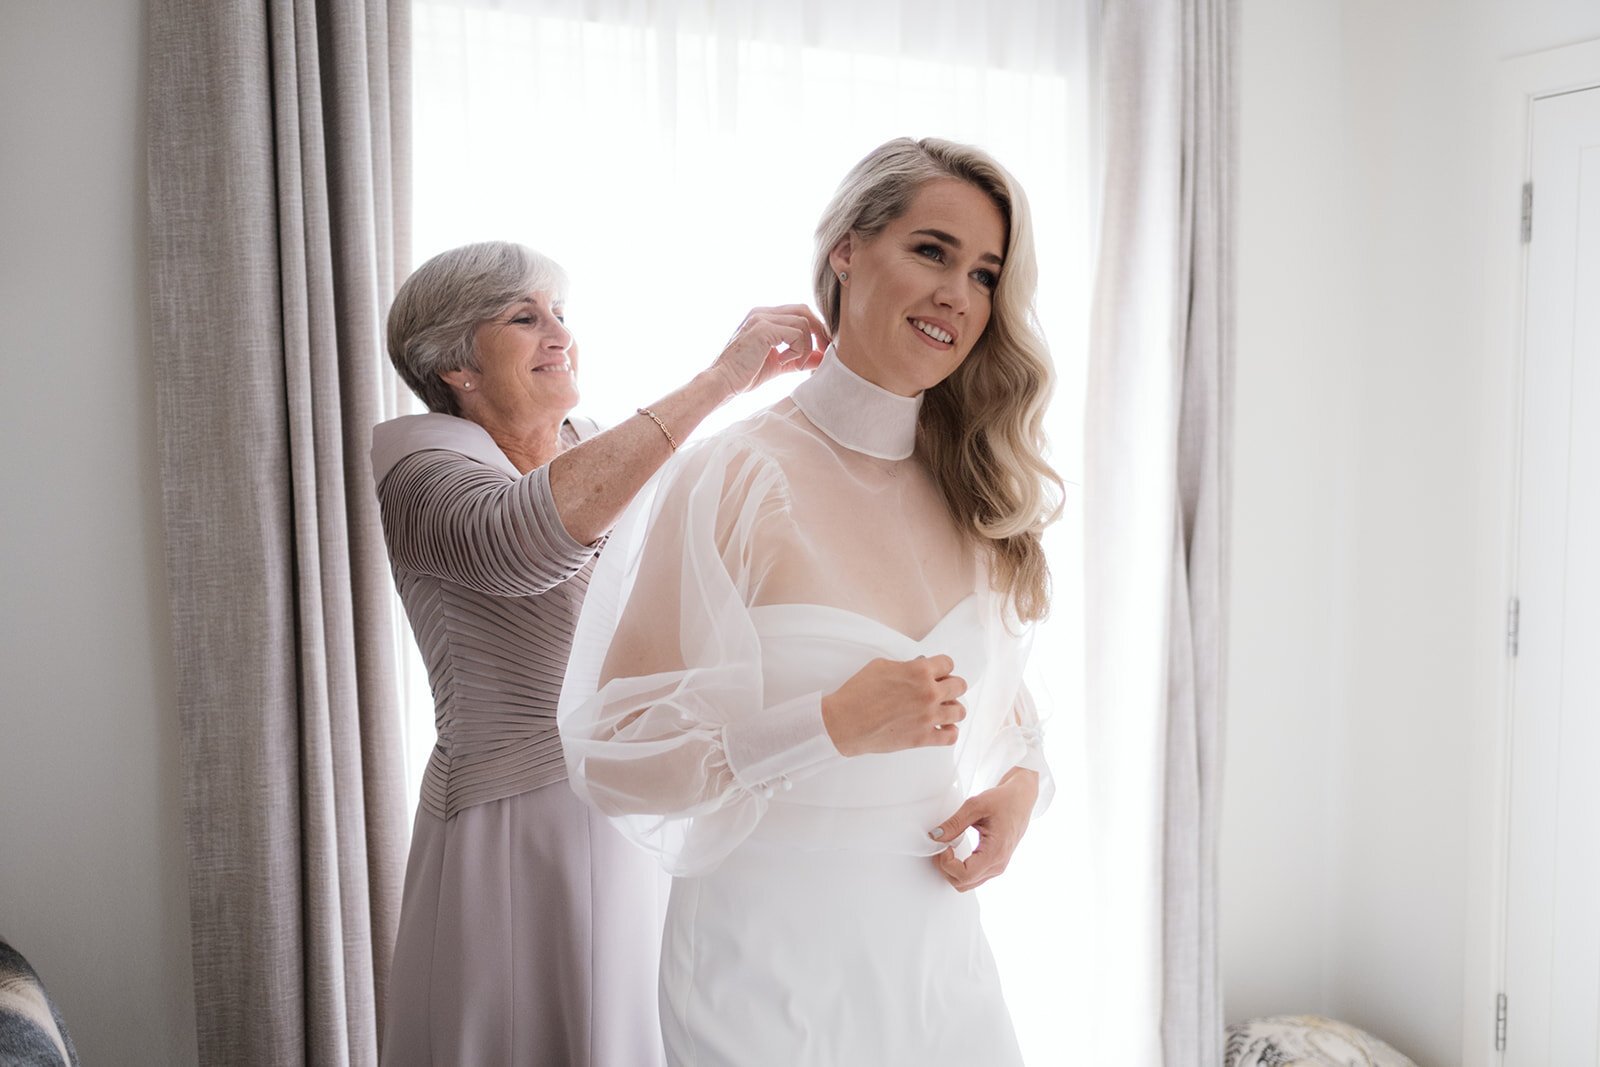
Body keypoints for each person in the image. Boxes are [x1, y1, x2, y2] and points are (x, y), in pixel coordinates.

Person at [558, 137, 1062, 1066]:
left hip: (938, 967)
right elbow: (615, 754)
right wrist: (825, 723)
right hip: (760, 970)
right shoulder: (738, 474)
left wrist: (1022, 790)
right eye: (932, 250)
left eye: (986, 274)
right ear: (846, 250)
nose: (960, 292)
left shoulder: (975, 488)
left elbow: (1004, 709)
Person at [373, 240, 827, 1066]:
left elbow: (707, 546)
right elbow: (524, 540)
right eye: (523, 317)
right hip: (515, 821)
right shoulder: (417, 468)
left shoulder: (590, 440)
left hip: (629, 801)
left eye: (559, 313)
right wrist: (723, 377)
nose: (558, 333)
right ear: (456, 367)